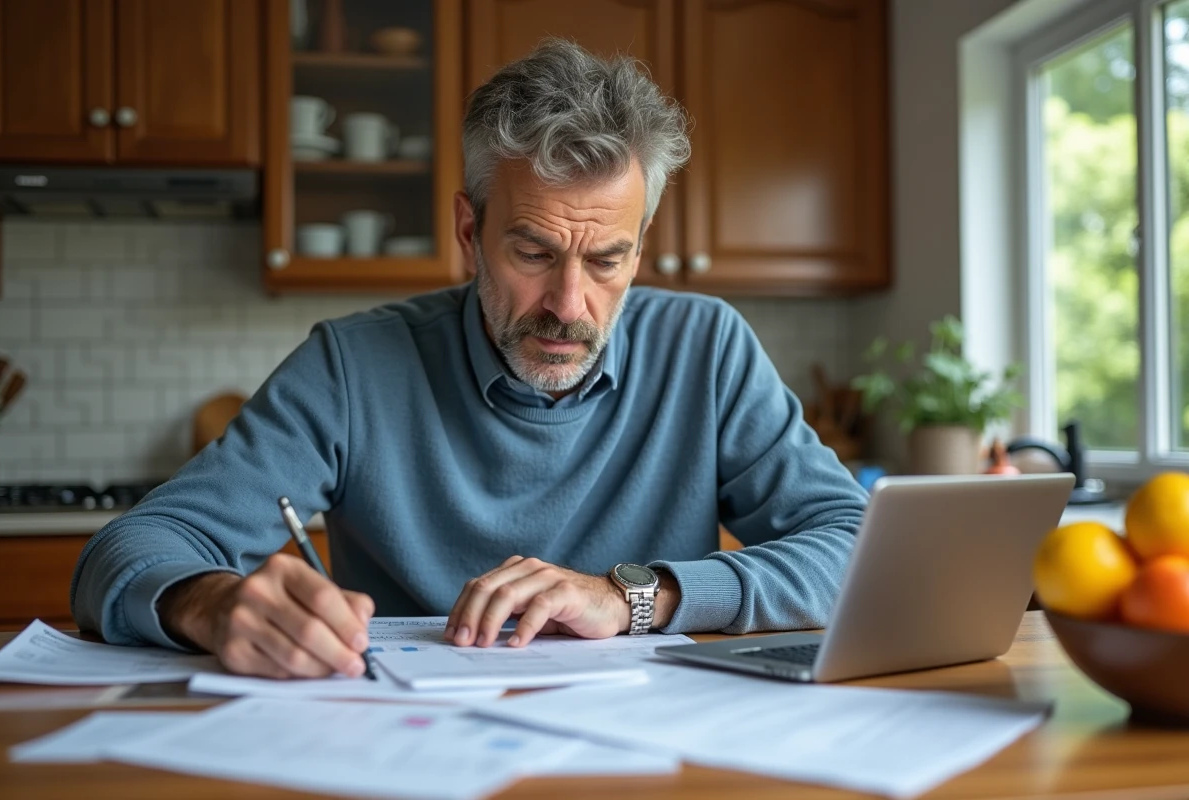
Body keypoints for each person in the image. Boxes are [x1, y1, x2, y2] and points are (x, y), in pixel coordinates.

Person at [71, 39, 867, 680]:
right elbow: (127, 550)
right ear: (467, 232)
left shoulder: (707, 348)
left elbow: (853, 547)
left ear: (640, 247)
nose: (568, 304)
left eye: (607, 261)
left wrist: (638, 595)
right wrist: (210, 604)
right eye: (533, 251)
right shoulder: (353, 365)